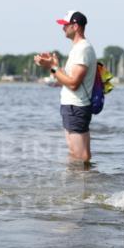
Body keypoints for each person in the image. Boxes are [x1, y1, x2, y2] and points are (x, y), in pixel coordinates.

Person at [33, 10, 97, 164]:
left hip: (76, 107)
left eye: (65, 25)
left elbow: (73, 83)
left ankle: (82, 186)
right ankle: (79, 186)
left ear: (75, 26)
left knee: (80, 156)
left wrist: (51, 67)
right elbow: (68, 79)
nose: (63, 28)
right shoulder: (78, 48)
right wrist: (54, 65)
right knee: (76, 155)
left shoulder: (83, 49)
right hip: (72, 107)